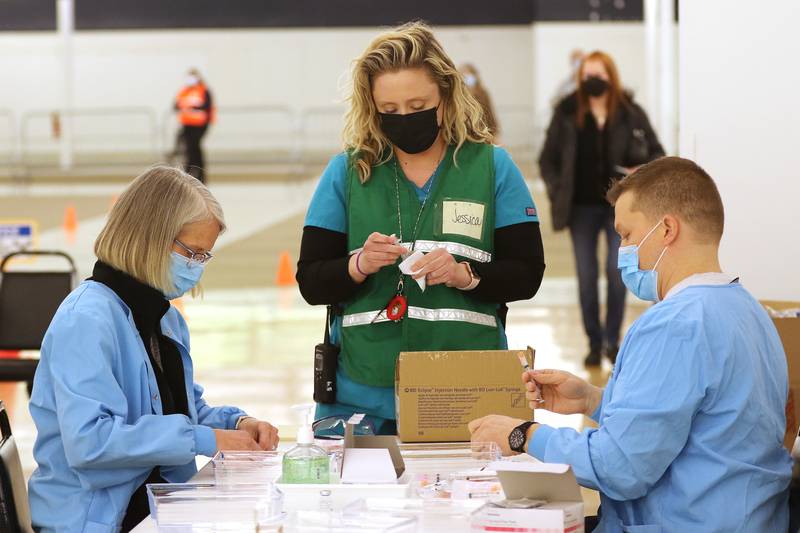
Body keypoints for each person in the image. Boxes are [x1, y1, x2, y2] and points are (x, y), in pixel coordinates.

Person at [469, 157, 792, 532]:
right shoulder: (747, 308)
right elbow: (704, 424)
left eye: (626, 235)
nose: (622, 249)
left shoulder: (674, 324)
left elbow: (621, 468)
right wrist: (594, 400)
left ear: (667, 228)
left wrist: (522, 434)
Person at [297, 22, 545, 435]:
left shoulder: (492, 167)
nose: (404, 119)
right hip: (363, 395)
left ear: (445, 99)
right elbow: (310, 281)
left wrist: (465, 274)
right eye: (389, 111)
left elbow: (527, 273)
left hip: (467, 391)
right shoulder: (346, 172)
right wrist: (358, 264)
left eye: (417, 106)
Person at [27, 166, 279, 532]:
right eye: (191, 253)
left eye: (204, 257)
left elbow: (182, 409)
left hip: (158, 506)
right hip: (94, 519)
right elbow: (91, 441)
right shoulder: (86, 320)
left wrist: (238, 424)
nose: (196, 268)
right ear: (149, 238)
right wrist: (204, 439)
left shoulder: (162, 317)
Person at [539, 50, 664, 366]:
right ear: (580, 79)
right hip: (580, 208)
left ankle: (613, 341)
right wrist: (558, 191)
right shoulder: (566, 112)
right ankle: (593, 342)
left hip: (620, 210)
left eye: (600, 74)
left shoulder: (630, 112)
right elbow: (547, 159)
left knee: (616, 270)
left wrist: (641, 172)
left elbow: (657, 153)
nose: (594, 80)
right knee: (586, 275)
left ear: (612, 76)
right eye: (588, 75)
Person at [174, 69, 214, 183]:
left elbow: (207, 107)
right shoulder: (184, 91)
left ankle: (200, 176)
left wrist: (193, 108)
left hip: (200, 125)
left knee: (195, 150)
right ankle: (188, 176)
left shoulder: (203, 90)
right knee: (189, 150)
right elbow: (176, 104)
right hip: (187, 125)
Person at [459, 63, 500, 142]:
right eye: (464, 75)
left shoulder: (482, 93)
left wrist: (494, 134)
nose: (467, 78)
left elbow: (490, 114)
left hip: (484, 133)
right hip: (466, 135)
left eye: (469, 74)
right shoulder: (458, 95)